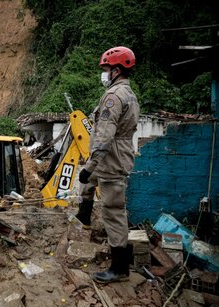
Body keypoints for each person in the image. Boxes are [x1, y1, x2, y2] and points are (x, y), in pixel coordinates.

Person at [77, 46, 139, 284]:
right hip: (112, 157)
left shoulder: (113, 97)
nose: (103, 74)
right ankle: (83, 218)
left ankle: (120, 267)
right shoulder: (129, 94)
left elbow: (103, 137)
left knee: (113, 211)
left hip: (110, 159)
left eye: (105, 69)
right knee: (87, 184)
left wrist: (90, 166)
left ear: (116, 70)